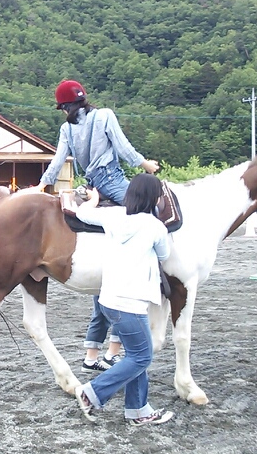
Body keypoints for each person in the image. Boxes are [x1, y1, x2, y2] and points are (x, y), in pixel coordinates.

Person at [34, 80, 160, 371]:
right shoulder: (104, 115)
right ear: (84, 99)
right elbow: (123, 147)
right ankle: (160, 271)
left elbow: (58, 159)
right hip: (113, 181)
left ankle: (96, 349)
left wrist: (43, 184)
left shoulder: (67, 128)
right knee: (150, 215)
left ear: (65, 107)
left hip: (91, 185)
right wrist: (145, 165)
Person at [72, 175, 173, 426]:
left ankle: (138, 411)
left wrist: (93, 200)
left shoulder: (114, 216)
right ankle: (92, 392)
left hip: (108, 299)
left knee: (134, 356)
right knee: (142, 357)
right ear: (154, 198)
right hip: (131, 303)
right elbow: (165, 254)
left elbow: (83, 213)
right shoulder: (155, 227)